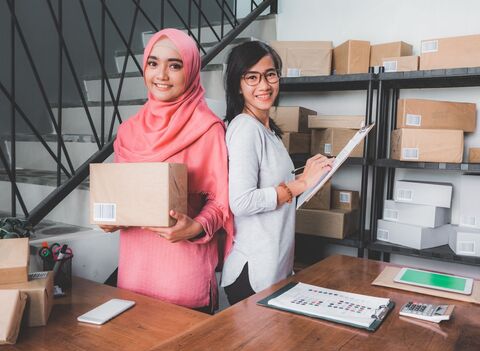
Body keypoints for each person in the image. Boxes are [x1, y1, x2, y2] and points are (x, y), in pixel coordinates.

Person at [100, 28, 233, 314]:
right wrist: (111, 218)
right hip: (135, 274)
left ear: (192, 70)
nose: (161, 75)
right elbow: (123, 195)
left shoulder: (207, 128)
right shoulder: (128, 130)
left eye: (175, 65)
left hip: (183, 279)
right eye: (153, 63)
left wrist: (194, 227)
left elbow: (221, 202)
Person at [221, 41, 334, 305]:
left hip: (273, 267)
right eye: (252, 77)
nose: (264, 85)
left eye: (270, 74)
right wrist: (300, 183)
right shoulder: (245, 129)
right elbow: (241, 202)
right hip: (253, 275)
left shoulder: (268, 130)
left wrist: (310, 176)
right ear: (238, 84)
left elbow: (277, 188)